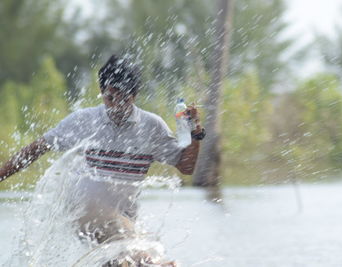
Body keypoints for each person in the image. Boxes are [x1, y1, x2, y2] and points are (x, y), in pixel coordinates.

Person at [0, 55, 206, 266]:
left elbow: (186, 167)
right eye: (110, 98)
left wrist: (195, 134)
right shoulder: (83, 121)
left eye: (123, 98)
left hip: (122, 219)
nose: (116, 105)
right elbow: (35, 149)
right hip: (84, 210)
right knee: (150, 260)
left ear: (134, 96)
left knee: (124, 261)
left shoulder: (151, 126)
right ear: (102, 94)